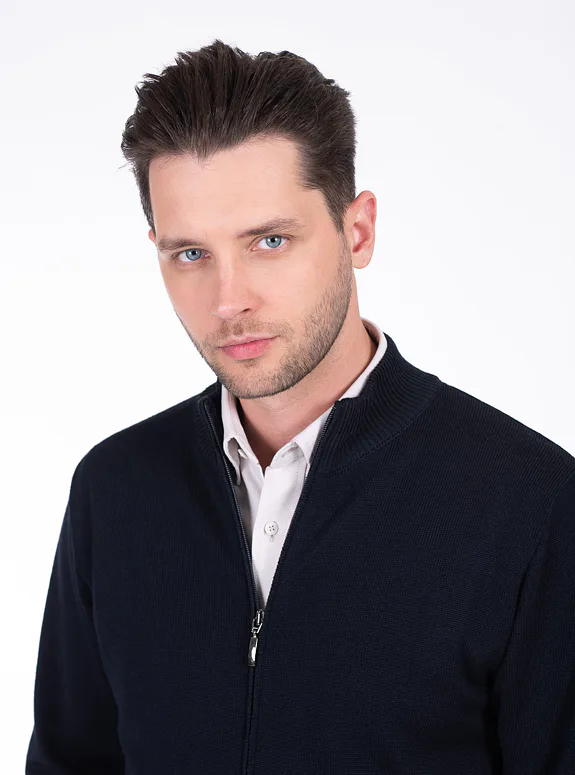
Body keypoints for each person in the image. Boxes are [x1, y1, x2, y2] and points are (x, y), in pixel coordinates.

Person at [25, 38, 575, 775]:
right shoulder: (115, 488)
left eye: (270, 240)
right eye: (191, 254)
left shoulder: (529, 501)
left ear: (358, 231)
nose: (229, 300)